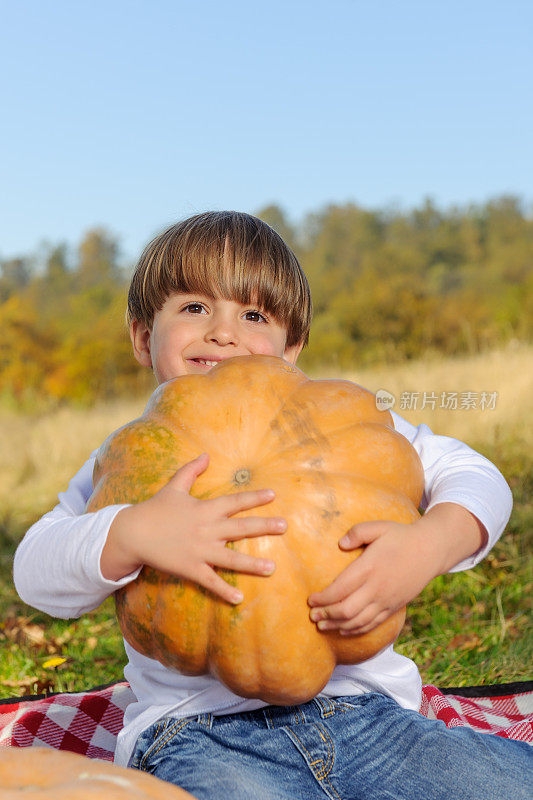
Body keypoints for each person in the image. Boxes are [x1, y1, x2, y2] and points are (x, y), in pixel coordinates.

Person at [14, 211, 532, 799]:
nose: (223, 333)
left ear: (293, 347)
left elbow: (473, 474)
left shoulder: (334, 423)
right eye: (193, 308)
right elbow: (34, 570)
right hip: (199, 737)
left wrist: (430, 543)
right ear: (141, 337)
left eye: (253, 314)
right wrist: (130, 533)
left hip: (371, 717)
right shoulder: (130, 462)